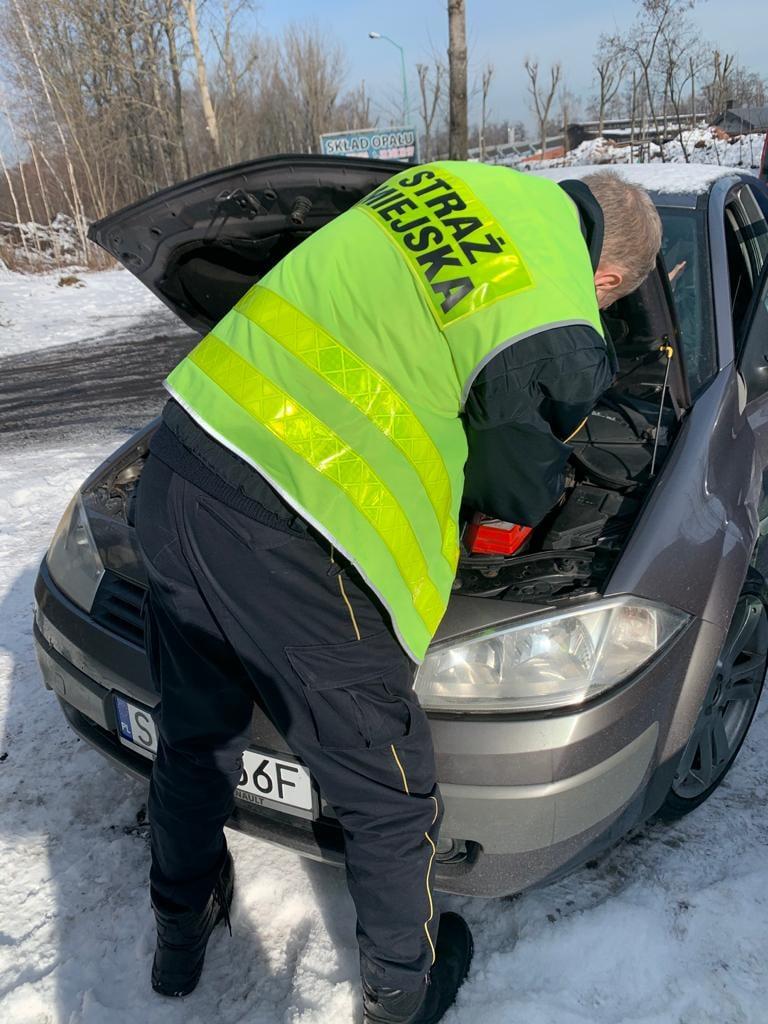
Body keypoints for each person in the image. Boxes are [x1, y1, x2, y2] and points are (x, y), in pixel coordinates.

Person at [134, 164, 662, 1024]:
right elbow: (516, 486)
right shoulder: (559, 306)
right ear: (608, 279)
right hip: (293, 527)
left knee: (195, 732)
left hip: (185, 454)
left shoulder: (463, 182)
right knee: (386, 792)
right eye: (607, 302)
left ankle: (177, 939)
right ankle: (400, 995)